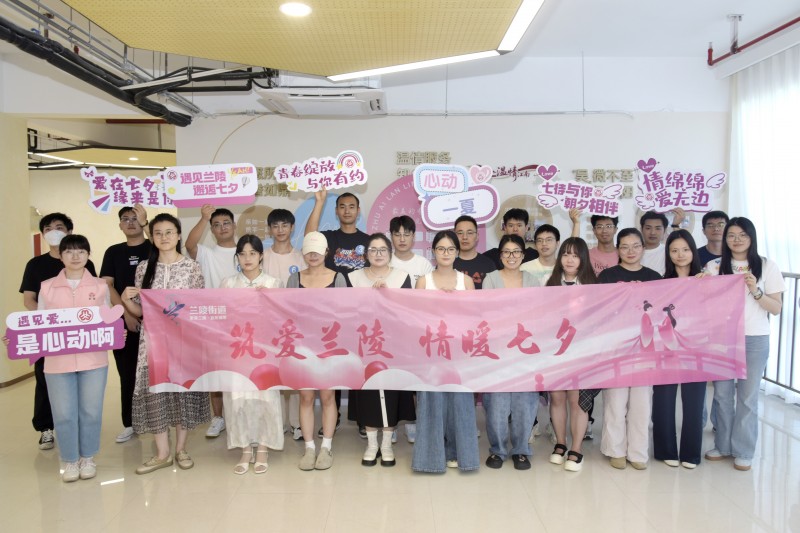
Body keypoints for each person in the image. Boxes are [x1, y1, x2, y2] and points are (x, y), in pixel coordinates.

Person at [121, 214, 211, 474]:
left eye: (169, 232)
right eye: (158, 233)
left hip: (183, 343)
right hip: (153, 344)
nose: (164, 237)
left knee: (182, 394)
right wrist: (126, 301)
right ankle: (162, 453)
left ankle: (181, 449)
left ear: (179, 235)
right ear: (151, 237)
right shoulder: (143, 268)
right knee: (156, 394)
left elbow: (198, 308)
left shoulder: (192, 267)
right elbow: (141, 311)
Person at [703, 217, 784, 471]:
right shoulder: (714, 266)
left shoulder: (767, 266)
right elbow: (703, 303)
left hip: (755, 338)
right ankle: (722, 446)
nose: (736, 240)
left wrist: (756, 291)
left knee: (748, 397)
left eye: (742, 235)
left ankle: (744, 450)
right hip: (722, 339)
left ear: (752, 238)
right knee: (722, 396)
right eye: (731, 235)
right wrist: (700, 284)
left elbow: (776, 308)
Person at [19, 212, 98, 451]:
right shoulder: (35, 265)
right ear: (43, 234)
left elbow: (94, 298)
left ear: (69, 231)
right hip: (50, 334)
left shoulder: (85, 264)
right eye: (48, 228)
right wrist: (48, 321)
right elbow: (29, 299)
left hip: (80, 335)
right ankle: (46, 428)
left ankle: (79, 427)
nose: (53, 231)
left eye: (59, 227)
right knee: (46, 381)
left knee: (81, 381)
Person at [38, 235, 110, 482]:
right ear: (60, 256)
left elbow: (107, 319)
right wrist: (17, 338)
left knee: (91, 411)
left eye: (81, 251)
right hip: (57, 362)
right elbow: (38, 324)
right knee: (64, 414)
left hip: (94, 361)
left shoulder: (100, 286)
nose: (75, 256)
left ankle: (87, 457)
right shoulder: (47, 287)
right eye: (69, 251)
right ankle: (70, 460)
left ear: (88, 255)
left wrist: (115, 331)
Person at [412, 230, 479, 473]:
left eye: (451, 249)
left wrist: (456, 304)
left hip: (459, 351)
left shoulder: (466, 281)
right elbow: (415, 317)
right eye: (441, 249)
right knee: (432, 402)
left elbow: (474, 318)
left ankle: (459, 454)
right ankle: (430, 458)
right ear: (433, 252)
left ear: (457, 252)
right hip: (431, 350)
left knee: (459, 402)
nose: (446, 253)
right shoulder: (424, 281)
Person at [347, 233, 414, 467]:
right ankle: (371, 444)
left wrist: (388, 296)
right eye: (373, 250)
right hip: (364, 346)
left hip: (393, 346)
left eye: (382, 250)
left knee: (391, 392)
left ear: (390, 253)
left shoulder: (402, 277)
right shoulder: (354, 277)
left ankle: (386, 444)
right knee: (368, 393)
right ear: (366, 254)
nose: (378, 254)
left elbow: (408, 313)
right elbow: (347, 312)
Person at [306, 189, 370, 434]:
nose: (347, 210)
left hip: (358, 313)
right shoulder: (329, 238)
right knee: (332, 366)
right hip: (329, 316)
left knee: (357, 364)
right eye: (342, 206)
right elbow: (310, 237)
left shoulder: (367, 240)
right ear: (336, 211)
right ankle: (332, 417)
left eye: (351, 206)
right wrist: (319, 202)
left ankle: (364, 418)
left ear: (358, 211)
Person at [598, 228, 662, 470]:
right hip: (616, 346)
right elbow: (600, 309)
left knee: (642, 403)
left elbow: (661, 310)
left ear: (643, 248)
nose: (630, 251)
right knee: (615, 401)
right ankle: (614, 449)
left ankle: (638, 452)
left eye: (636, 246)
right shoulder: (607, 276)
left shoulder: (654, 277)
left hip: (646, 348)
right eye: (624, 246)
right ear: (618, 250)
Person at [220, 235, 284, 474]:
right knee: (237, 400)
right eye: (242, 254)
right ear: (237, 257)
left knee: (265, 398)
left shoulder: (273, 283)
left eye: (252, 253)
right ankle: (245, 448)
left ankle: (264, 447)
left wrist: (268, 301)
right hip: (236, 351)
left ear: (261, 256)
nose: (247, 258)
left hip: (264, 353)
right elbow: (221, 319)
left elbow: (281, 320)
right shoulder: (227, 284)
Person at [286, 231, 347, 471]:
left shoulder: (338, 278)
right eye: (309, 251)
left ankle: (326, 447)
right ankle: (309, 447)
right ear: (303, 253)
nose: (313, 255)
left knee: (328, 396)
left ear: (326, 252)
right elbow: (287, 314)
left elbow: (344, 314)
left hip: (330, 346)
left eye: (317, 251)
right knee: (306, 397)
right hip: (302, 347)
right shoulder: (295, 279)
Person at [482, 234, 539, 470]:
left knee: (524, 404)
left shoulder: (533, 281)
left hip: (525, 352)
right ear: (500, 255)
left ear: (523, 255)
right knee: (497, 404)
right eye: (506, 252)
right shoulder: (491, 279)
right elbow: (487, 314)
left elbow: (538, 314)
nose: (511, 256)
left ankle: (521, 450)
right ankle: (497, 450)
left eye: (516, 252)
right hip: (498, 352)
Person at [651, 230, 707, 469]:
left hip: (696, 347)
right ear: (668, 254)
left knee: (694, 401)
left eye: (685, 249)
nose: (680, 254)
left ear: (693, 251)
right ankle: (665, 450)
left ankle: (691, 454)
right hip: (666, 348)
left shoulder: (706, 280)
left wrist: (710, 285)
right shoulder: (661, 283)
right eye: (674, 250)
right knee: (663, 399)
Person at [544, 237, 599, 472]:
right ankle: (560, 443)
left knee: (577, 401)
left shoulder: (593, 287)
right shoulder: (549, 285)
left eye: (575, 255)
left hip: (581, 353)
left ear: (583, 259)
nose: (569, 259)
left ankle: (576, 449)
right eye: (566, 254)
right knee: (557, 398)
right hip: (555, 352)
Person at [185, 205, 238, 439]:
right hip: (213, 321)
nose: (222, 228)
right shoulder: (207, 254)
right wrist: (203, 217)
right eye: (216, 225)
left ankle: (237, 415)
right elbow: (189, 245)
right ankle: (218, 418)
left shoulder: (246, 251)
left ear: (234, 225)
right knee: (215, 372)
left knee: (239, 372)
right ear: (212, 230)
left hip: (240, 322)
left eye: (226, 223)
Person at [100, 204, 151, 444]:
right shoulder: (113, 252)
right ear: (119, 224)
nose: (130, 222)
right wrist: (125, 312)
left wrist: (147, 223)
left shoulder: (154, 247)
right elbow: (107, 284)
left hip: (155, 321)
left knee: (155, 372)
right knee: (127, 374)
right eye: (125, 219)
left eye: (135, 218)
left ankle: (156, 421)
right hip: (124, 322)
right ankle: (130, 423)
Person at [263, 208, 307, 441]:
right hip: (269, 325)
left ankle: (297, 423)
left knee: (295, 373)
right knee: (275, 374)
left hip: (295, 325)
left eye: (284, 225)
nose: (280, 230)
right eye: (275, 226)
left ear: (292, 227)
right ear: (270, 229)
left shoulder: (301, 257)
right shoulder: (263, 256)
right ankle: (277, 422)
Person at [388, 215, 433, 443]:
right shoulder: (385, 261)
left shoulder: (423, 264)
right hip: (391, 331)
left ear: (414, 237)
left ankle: (413, 422)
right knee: (393, 378)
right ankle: (391, 424)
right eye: (397, 234)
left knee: (415, 378)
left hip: (416, 330)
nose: (402, 238)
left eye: (406, 234)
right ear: (391, 236)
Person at [453, 215, 496, 290]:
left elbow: (495, 293)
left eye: (469, 233)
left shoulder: (489, 264)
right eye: (460, 233)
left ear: (477, 236)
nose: (465, 237)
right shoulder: (447, 264)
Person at [640, 209, 686, 276]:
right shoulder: (633, 252)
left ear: (664, 230)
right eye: (648, 228)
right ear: (641, 229)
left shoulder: (668, 251)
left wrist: (675, 225)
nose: (653, 232)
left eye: (658, 228)